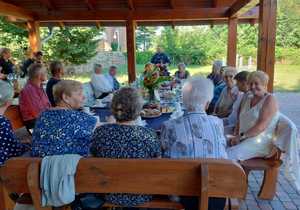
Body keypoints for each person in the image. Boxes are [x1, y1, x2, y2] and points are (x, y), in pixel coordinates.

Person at [160, 76, 227, 210]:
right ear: (207, 104)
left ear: (183, 102)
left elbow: (164, 155)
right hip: (216, 193)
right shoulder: (217, 123)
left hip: (181, 193)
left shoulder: (169, 126)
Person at [91, 87, 161, 207]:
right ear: (138, 110)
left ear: (113, 107)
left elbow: (93, 156)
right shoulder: (149, 135)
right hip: (142, 193)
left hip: (108, 192)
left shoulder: (100, 132)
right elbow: (158, 163)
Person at [31, 80, 97, 157]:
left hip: (40, 164)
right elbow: (100, 131)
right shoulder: (82, 118)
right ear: (65, 98)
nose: (83, 97)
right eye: (79, 94)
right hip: (75, 167)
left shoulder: (42, 115)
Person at [227, 71, 279, 161]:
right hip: (243, 137)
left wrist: (240, 137)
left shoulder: (270, 100)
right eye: (250, 83)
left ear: (264, 84)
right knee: (220, 143)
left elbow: (260, 127)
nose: (252, 86)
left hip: (258, 141)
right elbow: (240, 119)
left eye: (256, 83)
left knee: (228, 155)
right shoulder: (248, 96)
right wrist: (235, 135)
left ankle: (232, 174)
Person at [0, 80, 27, 165]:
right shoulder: (3, 122)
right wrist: (26, 146)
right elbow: (12, 149)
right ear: (9, 102)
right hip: (4, 165)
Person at [19, 63, 50, 129]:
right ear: (39, 75)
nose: (47, 74)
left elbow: (47, 105)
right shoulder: (29, 90)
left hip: (41, 120)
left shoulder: (39, 87)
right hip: (34, 124)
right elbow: (36, 112)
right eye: (45, 72)